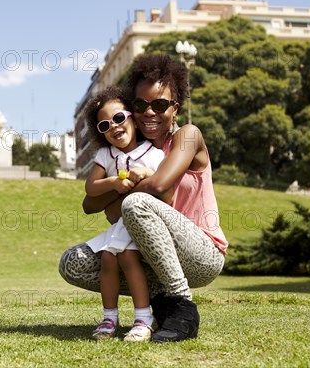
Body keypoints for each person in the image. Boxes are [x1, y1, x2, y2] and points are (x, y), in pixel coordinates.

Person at [59, 54, 228, 343]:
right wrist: (120, 183)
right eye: (140, 105)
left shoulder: (188, 136)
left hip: (201, 253)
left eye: (160, 104)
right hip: (152, 254)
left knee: (135, 204)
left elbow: (160, 185)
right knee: (73, 262)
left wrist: (118, 197)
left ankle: (182, 308)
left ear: (175, 108)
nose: (150, 112)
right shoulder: (135, 150)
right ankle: (154, 308)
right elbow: (89, 205)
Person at [83, 86, 165, 341]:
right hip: (119, 225)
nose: (114, 127)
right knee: (109, 258)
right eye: (105, 125)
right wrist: (113, 183)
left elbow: (165, 189)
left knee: (128, 257)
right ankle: (109, 318)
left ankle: (143, 318)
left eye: (119, 118)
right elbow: (90, 188)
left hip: (143, 223)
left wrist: (147, 175)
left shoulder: (153, 154)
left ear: (133, 118)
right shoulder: (105, 155)